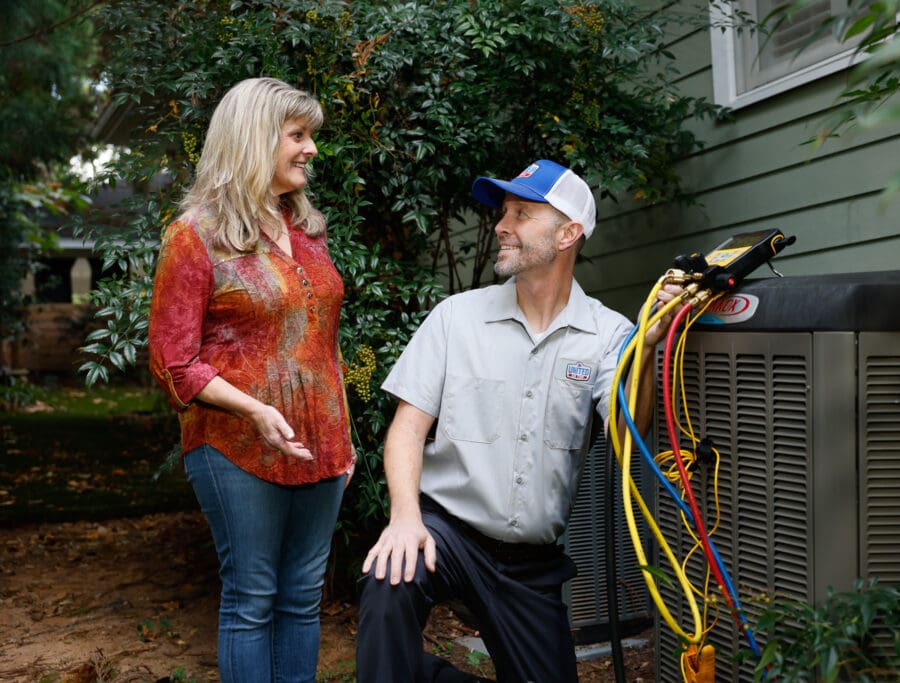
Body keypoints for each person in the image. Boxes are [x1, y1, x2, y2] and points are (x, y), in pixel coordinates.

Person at [355, 159, 679, 682]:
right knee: (389, 578)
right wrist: (404, 518)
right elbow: (408, 430)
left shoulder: (608, 335)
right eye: (504, 211)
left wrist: (646, 348)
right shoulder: (455, 318)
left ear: (568, 234)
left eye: (522, 214)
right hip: (447, 531)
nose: (502, 225)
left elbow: (626, 437)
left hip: (532, 560)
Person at [148, 77, 356, 683]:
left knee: (302, 598)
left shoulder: (309, 231)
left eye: (310, 135)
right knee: (252, 598)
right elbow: (171, 360)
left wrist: (343, 440)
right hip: (235, 446)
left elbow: (323, 343)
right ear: (254, 139)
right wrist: (255, 411)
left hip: (321, 447)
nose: (311, 149)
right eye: (297, 135)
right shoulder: (194, 235)